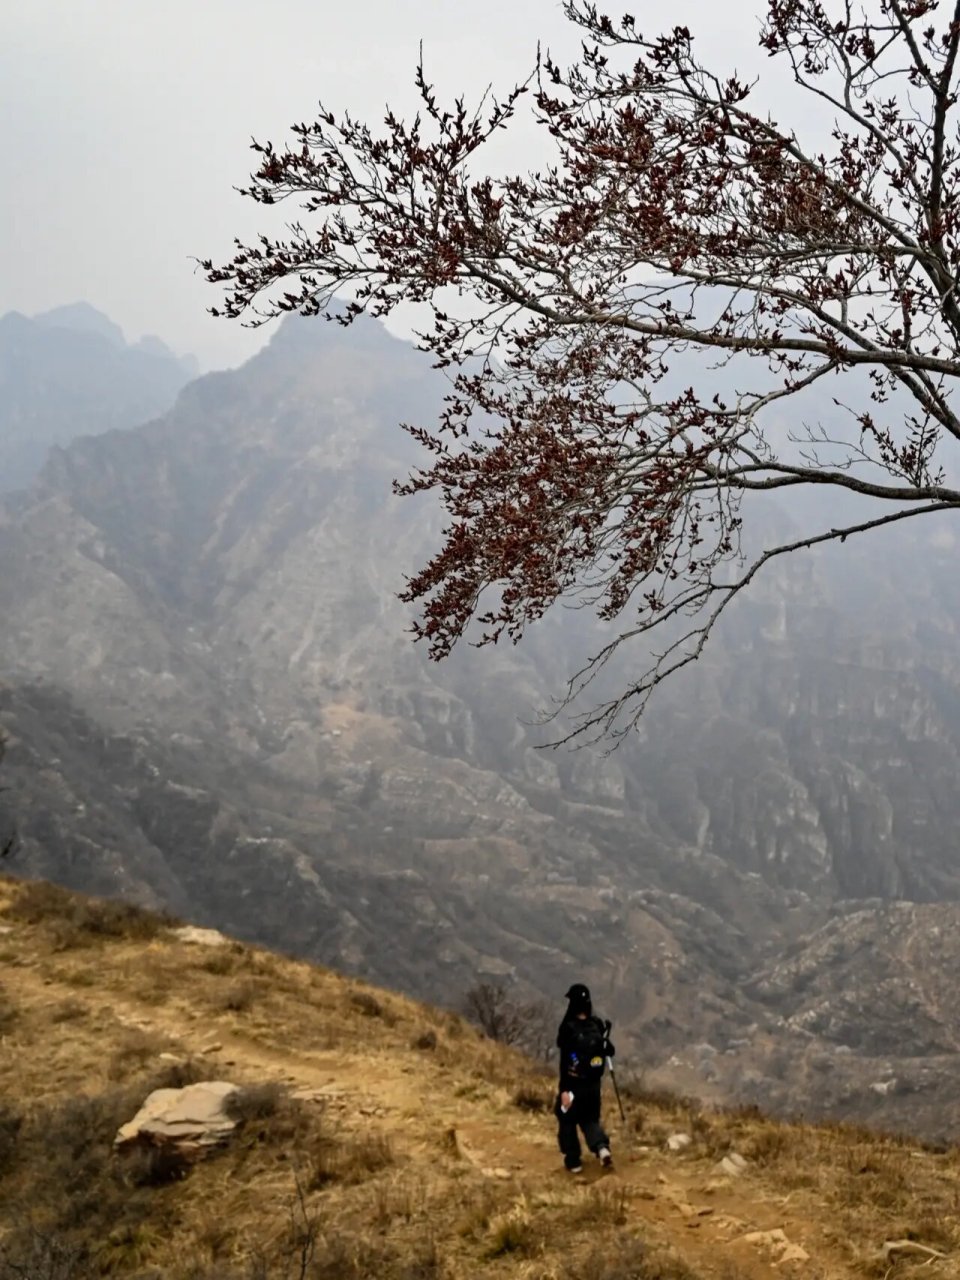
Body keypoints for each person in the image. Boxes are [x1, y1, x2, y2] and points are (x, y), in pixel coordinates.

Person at [555, 982, 614, 1173]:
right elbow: (608, 1050)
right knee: (589, 1119)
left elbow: (565, 1061)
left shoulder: (568, 1028)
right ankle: (601, 1148)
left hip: (573, 1084)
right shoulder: (596, 1024)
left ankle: (573, 1161)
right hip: (593, 1085)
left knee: (566, 1117)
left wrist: (564, 1090)